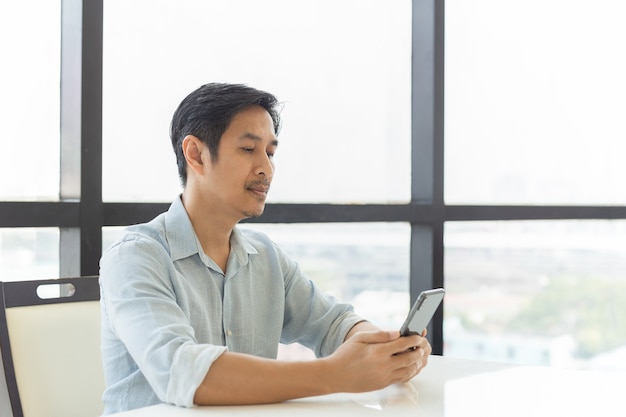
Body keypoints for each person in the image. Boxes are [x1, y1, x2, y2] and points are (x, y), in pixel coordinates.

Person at [99, 82, 432, 414]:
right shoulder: (135, 256)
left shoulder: (265, 256)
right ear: (196, 155)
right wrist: (335, 375)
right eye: (248, 150)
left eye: (270, 153)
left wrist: (384, 348)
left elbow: (334, 324)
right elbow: (182, 372)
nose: (266, 169)